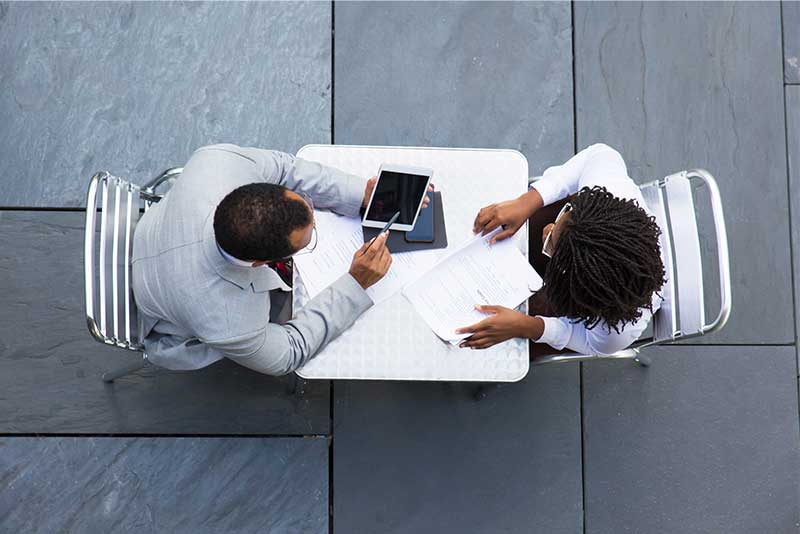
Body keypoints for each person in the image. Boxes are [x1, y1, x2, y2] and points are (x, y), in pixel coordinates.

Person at [132, 143, 422, 376]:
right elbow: (289, 353)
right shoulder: (230, 321)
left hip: (153, 233)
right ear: (262, 263)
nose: (316, 224)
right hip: (163, 305)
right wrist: (355, 284)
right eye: (309, 240)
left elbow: (285, 168)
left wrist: (362, 195)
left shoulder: (219, 162)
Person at [457, 143, 666, 357]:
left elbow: (589, 343)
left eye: (550, 244)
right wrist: (527, 202)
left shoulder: (615, 333)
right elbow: (600, 154)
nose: (548, 229)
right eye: (564, 215)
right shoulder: (612, 195)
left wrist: (527, 326)